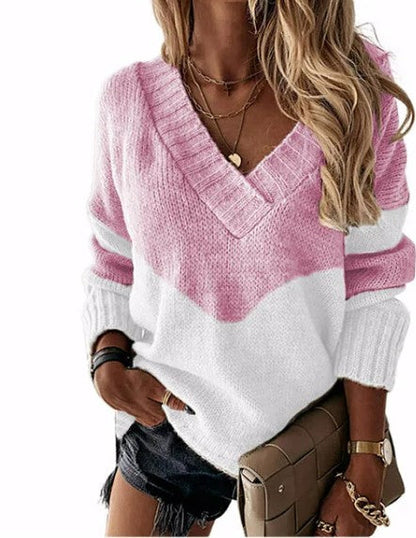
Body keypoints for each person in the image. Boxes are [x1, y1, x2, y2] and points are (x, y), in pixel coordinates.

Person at [81, 1, 415, 536]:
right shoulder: (128, 101)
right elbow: (111, 259)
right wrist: (106, 359)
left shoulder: (351, 92)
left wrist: (366, 457)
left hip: (309, 444)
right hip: (170, 432)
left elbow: (372, 285)